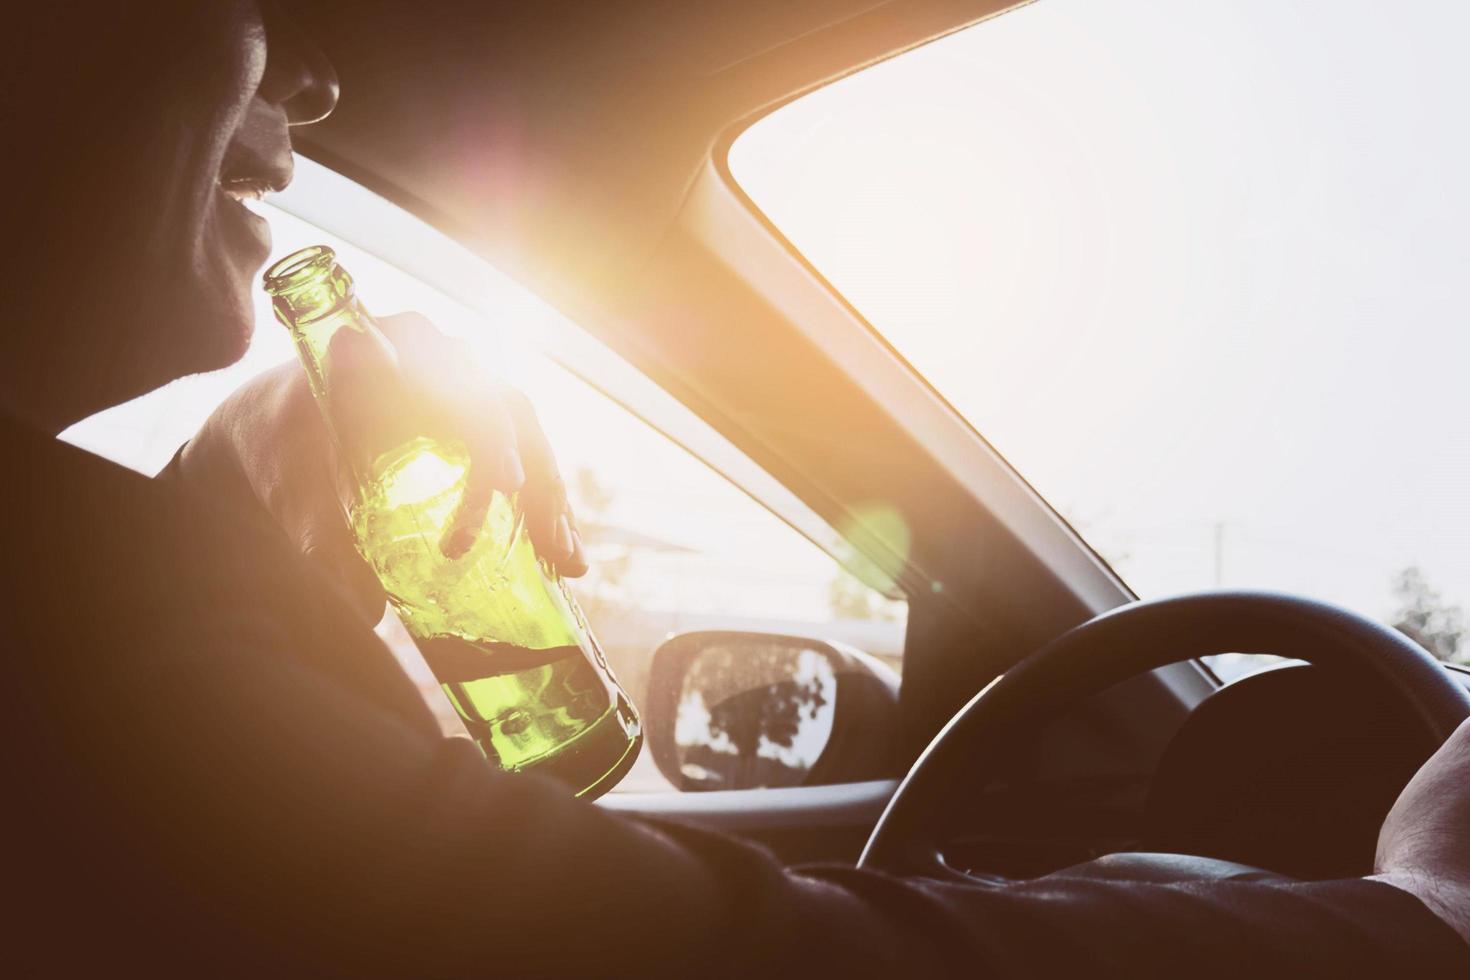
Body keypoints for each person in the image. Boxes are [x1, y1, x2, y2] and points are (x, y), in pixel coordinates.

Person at [1, 2, 1466, 975]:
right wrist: (1413, 917)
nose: (309, 76)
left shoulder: (78, 591)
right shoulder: (64, 631)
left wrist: (233, 494)